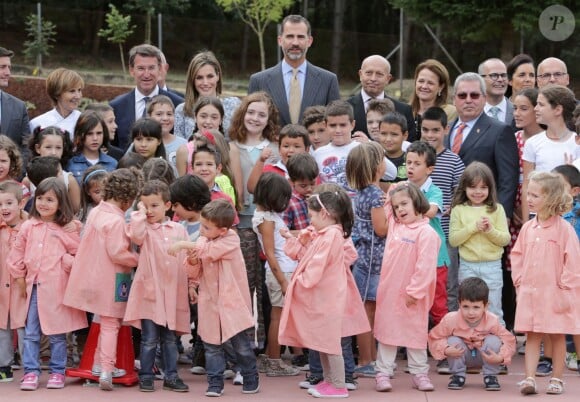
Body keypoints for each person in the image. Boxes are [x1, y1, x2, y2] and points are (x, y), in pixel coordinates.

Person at [279, 187, 369, 398]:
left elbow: (316, 265)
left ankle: (338, 385)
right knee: (323, 341)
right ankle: (329, 381)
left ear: (324, 213)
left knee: (330, 342)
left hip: (327, 297)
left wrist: (301, 281)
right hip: (323, 296)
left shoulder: (331, 236)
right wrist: (300, 240)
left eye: (311, 215)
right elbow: (305, 254)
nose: (310, 220)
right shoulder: (325, 234)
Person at [63, 169, 141, 391]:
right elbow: (118, 252)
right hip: (112, 279)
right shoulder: (116, 221)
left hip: (91, 277)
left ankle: (98, 365)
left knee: (100, 320)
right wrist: (137, 259)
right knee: (111, 323)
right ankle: (108, 368)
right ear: (127, 198)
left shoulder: (96, 212)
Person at [174, 199, 260, 396]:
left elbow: (210, 253)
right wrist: (193, 265)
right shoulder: (203, 241)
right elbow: (194, 270)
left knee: (241, 345)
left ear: (222, 229)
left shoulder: (231, 239)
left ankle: (250, 376)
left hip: (232, 302)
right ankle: (215, 383)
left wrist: (184, 245)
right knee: (212, 345)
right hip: (210, 302)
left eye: (206, 227)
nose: (202, 230)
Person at [8, 178, 86, 391]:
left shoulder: (66, 229)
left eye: (50, 199)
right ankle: (31, 372)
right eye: (40, 198)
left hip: (56, 289)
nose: (43, 203)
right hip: (33, 287)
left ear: (60, 203)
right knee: (31, 332)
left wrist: (65, 262)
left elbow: (78, 254)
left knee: (57, 333)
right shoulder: (28, 227)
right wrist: (19, 276)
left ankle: (57, 371)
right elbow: (17, 253)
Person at [511, 171, 580, 395]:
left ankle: (557, 379)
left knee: (557, 335)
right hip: (531, 293)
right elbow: (517, 255)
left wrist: (565, 288)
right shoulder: (528, 228)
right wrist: (519, 281)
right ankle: (529, 378)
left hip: (555, 294)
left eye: (535, 195)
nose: (529, 199)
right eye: (528, 194)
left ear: (550, 198)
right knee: (532, 335)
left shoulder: (564, 230)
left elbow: (574, 261)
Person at [124, 180, 189, 392]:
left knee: (170, 339)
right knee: (149, 339)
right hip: (150, 294)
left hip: (172, 292)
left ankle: (171, 376)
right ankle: (146, 375)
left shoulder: (178, 229)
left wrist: (192, 285)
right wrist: (139, 213)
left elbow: (188, 258)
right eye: (145, 205)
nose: (150, 210)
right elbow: (135, 235)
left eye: (154, 205)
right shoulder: (144, 231)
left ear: (167, 205)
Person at [374, 182, 439, 392]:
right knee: (387, 332)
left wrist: (415, 291)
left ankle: (419, 373)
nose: (400, 209)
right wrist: (394, 192)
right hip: (390, 292)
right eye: (396, 206)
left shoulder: (426, 233)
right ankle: (383, 372)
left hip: (413, 296)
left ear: (417, 202)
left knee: (414, 333)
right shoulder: (395, 225)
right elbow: (388, 203)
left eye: (404, 204)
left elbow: (425, 267)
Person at [229, 91, 280, 348]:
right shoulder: (232, 146)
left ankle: (266, 342)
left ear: (269, 119)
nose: (255, 118)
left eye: (262, 114)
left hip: (267, 222)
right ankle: (244, 340)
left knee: (266, 285)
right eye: (251, 112)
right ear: (242, 113)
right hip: (241, 223)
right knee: (245, 283)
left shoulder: (275, 149)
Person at [445, 72, 519, 219]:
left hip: (484, 216)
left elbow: (508, 180)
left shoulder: (500, 131)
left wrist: (502, 216)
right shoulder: (444, 130)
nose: (468, 100)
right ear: (454, 100)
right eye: (462, 96)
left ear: (484, 99)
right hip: (447, 217)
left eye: (474, 95)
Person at [248, 14, 340, 126]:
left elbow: (336, 122)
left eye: (300, 37)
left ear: (309, 41)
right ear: (280, 40)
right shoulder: (258, 81)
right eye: (290, 36)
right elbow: (251, 124)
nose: (295, 43)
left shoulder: (328, 81)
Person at [428, 277, 516, 391]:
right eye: (466, 306)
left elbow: (509, 340)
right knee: (453, 341)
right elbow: (434, 337)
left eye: (476, 307)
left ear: (485, 306)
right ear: (459, 304)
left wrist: (500, 358)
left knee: (494, 340)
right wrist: (445, 349)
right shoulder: (451, 319)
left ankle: (490, 376)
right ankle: (458, 375)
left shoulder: (492, 320)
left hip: (485, 356)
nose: (471, 312)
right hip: (461, 355)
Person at [346, 142, 388, 377]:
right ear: (376, 166)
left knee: (367, 308)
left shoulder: (363, 191)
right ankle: (365, 359)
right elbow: (381, 229)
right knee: (367, 310)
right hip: (372, 261)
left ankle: (369, 358)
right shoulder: (375, 194)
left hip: (364, 258)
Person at [449, 162, 510, 325]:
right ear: (465, 188)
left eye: (483, 187)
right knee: (469, 307)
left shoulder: (497, 209)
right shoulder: (458, 210)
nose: (478, 192)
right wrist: (472, 228)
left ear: (490, 188)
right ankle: (470, 342)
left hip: (492, 265)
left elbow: (505, 239)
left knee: (494, 307)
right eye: (473, 187)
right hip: (468, 265)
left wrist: (490, 230)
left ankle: (498, 342)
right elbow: (454, 240)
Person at [251, 173, 300, 377]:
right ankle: (274, 359)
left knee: (279, 316)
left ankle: (273, 358)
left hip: (286, 268)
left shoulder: (268, 216)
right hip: (282, 271)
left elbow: (284, 237)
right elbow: (270, 253)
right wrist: (282, 281)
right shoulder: (266, 220)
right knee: (277, 317)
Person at [420, 107, 465, 314]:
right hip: (417, 234)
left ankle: (448, 327)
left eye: (435, 130)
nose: (430, 135)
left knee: (448, 284)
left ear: (446, 129)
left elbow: (461, 191)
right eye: (425, 129)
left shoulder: (454, 160)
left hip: (445, 234)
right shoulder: (415, 156)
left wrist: (452, 207)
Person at [405, 141, 449, 325]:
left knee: (438, 302)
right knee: (411, 299)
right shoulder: (401, 188)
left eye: (417, 164)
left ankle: (442, 342)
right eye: (408, 163)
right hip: (409, 256)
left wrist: (405, 206)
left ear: (429, 169)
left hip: (436, 259)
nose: (411, 167)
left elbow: (431, 211)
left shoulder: (434, 191)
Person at [521, 85, 580, 222]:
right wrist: (526, 221)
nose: (535, 109)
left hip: (570, 217)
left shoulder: (576, 142)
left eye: (541, 104)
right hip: (538, 216)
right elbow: (526, 184)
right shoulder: (532, 143)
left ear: (558, 110)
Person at [110, 44, 183, 151]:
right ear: (131, 70)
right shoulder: (116, 107)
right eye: (141, 68)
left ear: (160, 70)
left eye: (151, 68)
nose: (146, 74)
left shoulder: (178, 105)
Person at [347, 55, 416, 141]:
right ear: (360, 75)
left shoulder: (403, 110)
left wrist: (370, 144)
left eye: (379, 74)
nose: (373, 78)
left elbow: (410, 146)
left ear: (388, 78)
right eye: (369, 73)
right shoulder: (345, 107)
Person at [175, 51, 240, 139]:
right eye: (199, 77)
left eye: (210, 76)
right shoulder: (182, 111)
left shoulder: (234, 105)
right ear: (192, 80)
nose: (205, 82)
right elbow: (179, 149)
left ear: (218, 76)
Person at [0, 182, 26, 383]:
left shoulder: (29, 228)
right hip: (2, 287)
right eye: (0, 205)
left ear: (21, 203)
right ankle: (4, 366)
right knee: (2, 328)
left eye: (9, 203)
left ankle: (30, 367)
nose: (4, 208)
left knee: (24, 327)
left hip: (21, 288)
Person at [26, 126, 81, 212]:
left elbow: (76, 210)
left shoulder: (69, 180)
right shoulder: (28, 179)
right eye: (48, 147)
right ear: (38, 148)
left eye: (58, 148)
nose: (53, 152)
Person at [246, 123, 310, 193]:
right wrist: (261, 160)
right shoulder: (269, 170)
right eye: (286, 146)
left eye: (297, 146)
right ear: (279, 149)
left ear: (307, 150)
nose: (291, 150)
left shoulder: (310, 170)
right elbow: (252, 188)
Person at [175, 96, 224, 176]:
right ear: (195, 117)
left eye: (214, 117)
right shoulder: (184, 151)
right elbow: (180, 185)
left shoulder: (229, 149)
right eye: (203, 116)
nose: (208, 121)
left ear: (221, 120)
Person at [29, 68, 84, 137]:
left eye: (79, 90)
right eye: (72, 91)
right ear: (57, 94)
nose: (78, 96)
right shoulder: (37, 124)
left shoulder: (84, 120)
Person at [67, 110, 118, 183]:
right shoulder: (70, 163)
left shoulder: (112, 163)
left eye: (99, 133)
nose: (95, 138)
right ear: (80, 134)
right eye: (89, 134)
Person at [409, 59, 457, 131]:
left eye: (430, 83)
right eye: (421, 81)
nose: (424, 86)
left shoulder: (450, 112)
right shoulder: (405, 111)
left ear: (441, 87)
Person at [0, 46, 30, 160]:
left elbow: (26, 147)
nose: (8, 73)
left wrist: (16, 173)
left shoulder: (19, 107)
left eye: (9, 67)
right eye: (2, 67)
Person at [145, 95, 186, 173]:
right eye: (159, 114)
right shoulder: (140, 143)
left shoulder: (184, 144)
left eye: (169, 114)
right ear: (149, 116)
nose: (165, 118)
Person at [282, 153, 318, 232]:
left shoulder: (319, 197)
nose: (309, 189)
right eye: (303, 186)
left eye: (312, 184)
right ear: (291, 182)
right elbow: (284, 231)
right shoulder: (288, 202)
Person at [478, 59, 513, 125]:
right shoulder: (472, 111)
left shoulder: (517, 111)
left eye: (503, 75)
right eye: (494, 75)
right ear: (481, 79)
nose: (500, 79)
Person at [377, 112, 409, 185]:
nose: (388, 139)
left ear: (405, 135)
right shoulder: (375, 160)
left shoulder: (411, 161)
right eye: (383, 134)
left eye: (394, 134)